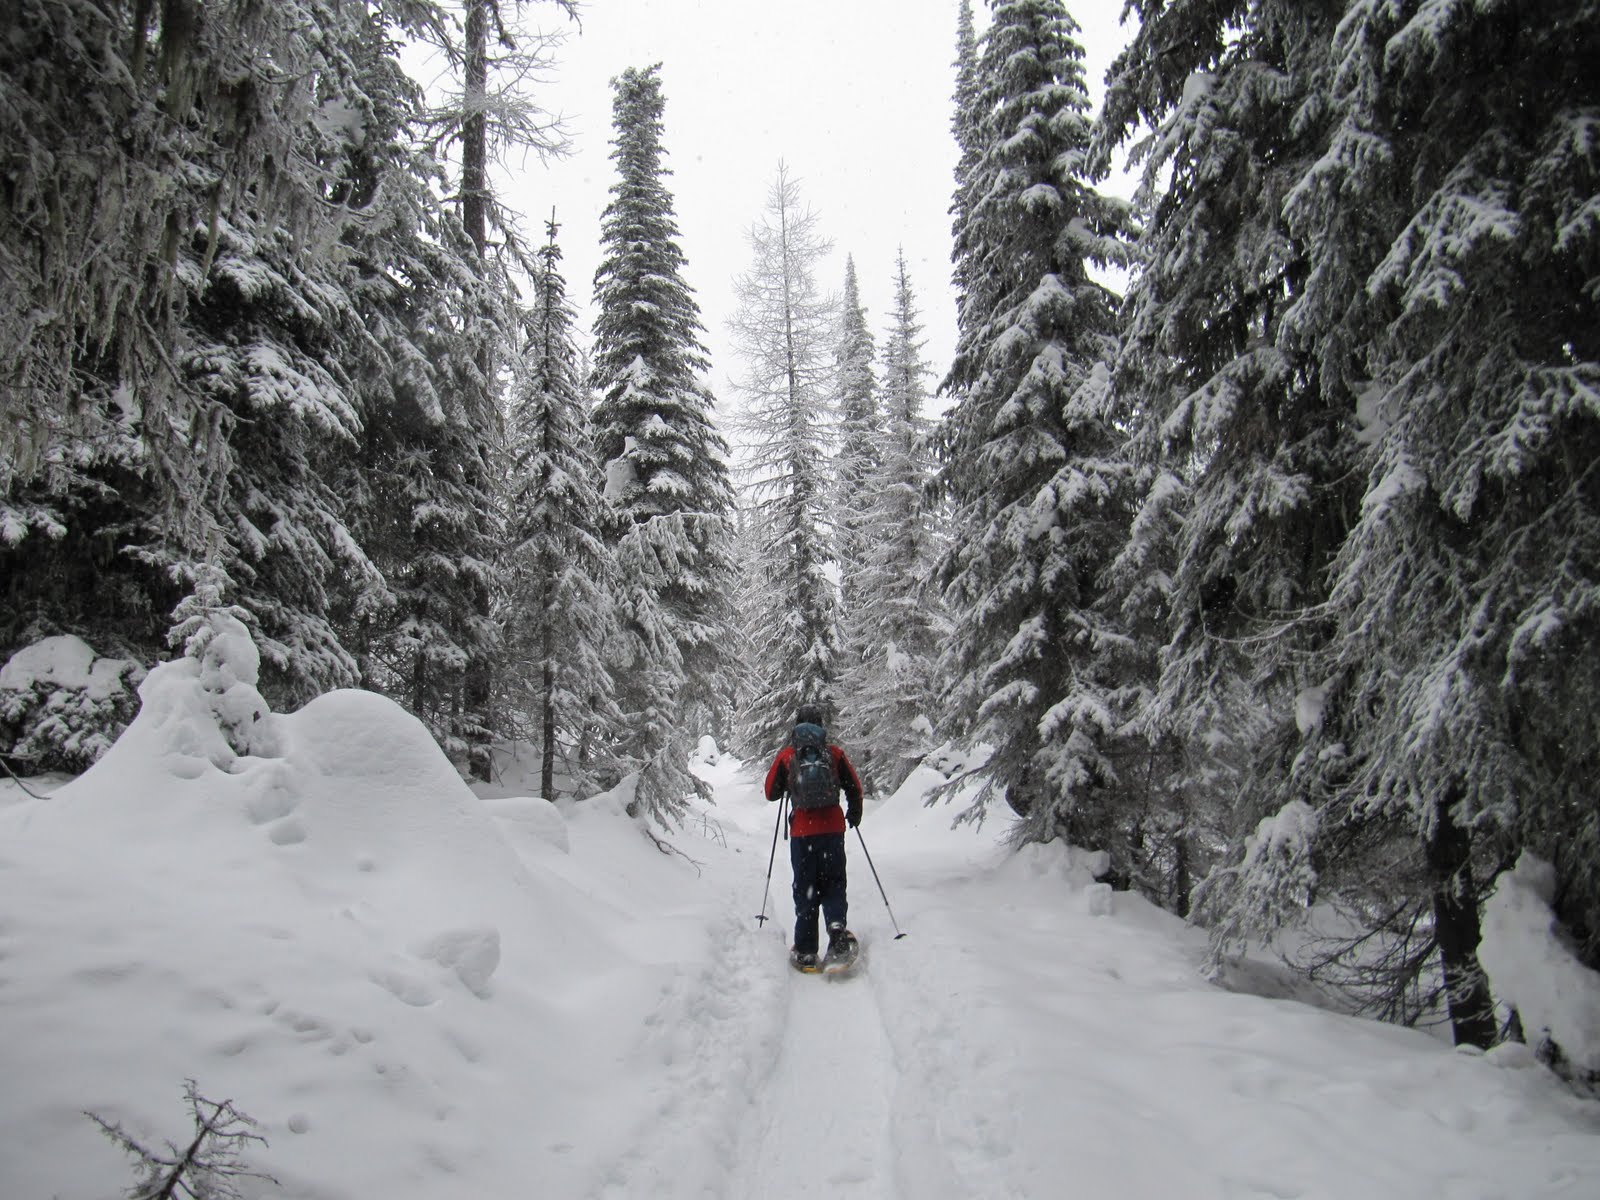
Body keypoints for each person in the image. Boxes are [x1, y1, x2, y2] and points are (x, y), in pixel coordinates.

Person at [764, 702, 864, 968]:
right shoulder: (834, 754)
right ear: (821, 726)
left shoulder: (788, 756)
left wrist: (790, 783)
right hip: (832, 830)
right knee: (833, 882)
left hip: (802, 834)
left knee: (806, 888)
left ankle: (807, 951)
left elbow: (770, 793)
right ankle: (836, 930)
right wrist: (854, 813)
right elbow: (854, 788)